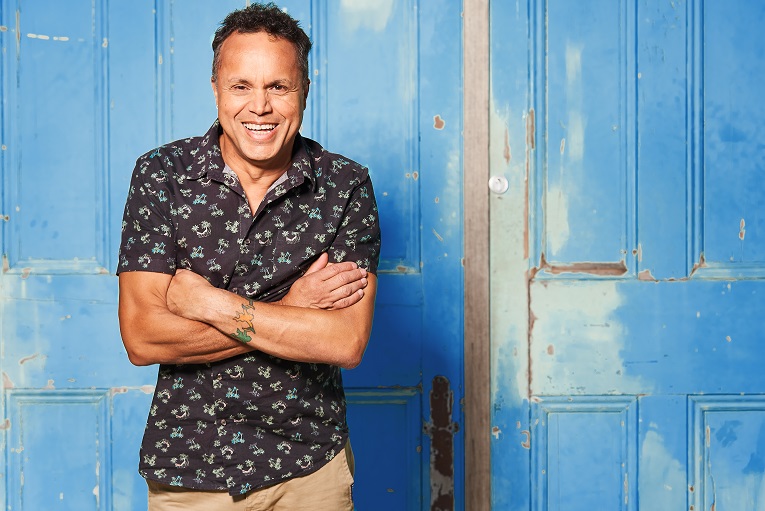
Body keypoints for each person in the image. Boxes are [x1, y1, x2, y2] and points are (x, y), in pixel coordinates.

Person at [116, 3, 381, 510]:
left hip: (311, 467)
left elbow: (345, 341)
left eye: (278, 86)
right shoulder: (162, 175)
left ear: (304, 90)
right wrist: (294, 308)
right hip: (190, 469)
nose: (260, 106)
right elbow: (143, 337)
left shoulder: (345, 185)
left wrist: (209, 303)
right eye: (241, 86)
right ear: (216, 88)